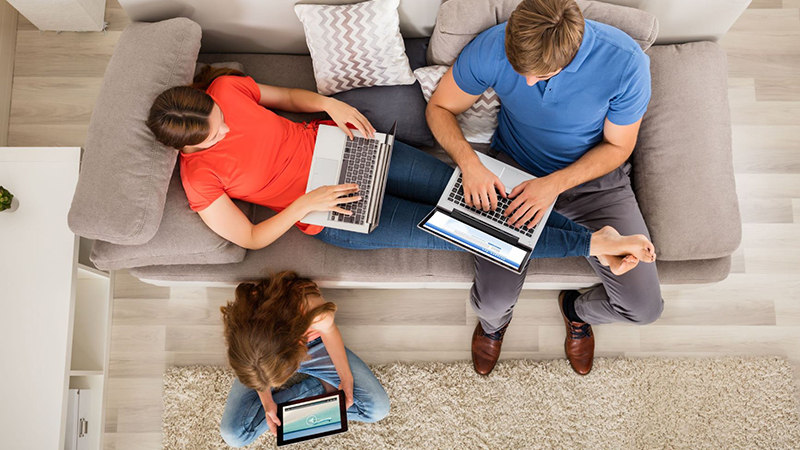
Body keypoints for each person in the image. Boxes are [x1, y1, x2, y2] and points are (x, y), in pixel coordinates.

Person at [146, 65, 655, 372]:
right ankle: (592, 243)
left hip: (351, 150)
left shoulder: (226, 92)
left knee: (475, 198)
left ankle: (596, 241)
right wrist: (302, 203)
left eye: (219, 118)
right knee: (465, 233)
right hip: (331, 210)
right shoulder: (199, 178)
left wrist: (329, 105)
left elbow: (287, 99)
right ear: (188, 149)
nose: (225, 128)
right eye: (214, 135)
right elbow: (251, 236)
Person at [426, 0, 663, 376]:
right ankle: (493, 327)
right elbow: (439, 107)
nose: (530, 84)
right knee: (491, 303)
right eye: (522, 73)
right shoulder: (495, 45)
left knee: (645, 309)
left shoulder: (626, 63)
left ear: (572, 55)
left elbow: (619, 146)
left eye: (542, 74)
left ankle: (575, 311)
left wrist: (553, 185)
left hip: (593, 183)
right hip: (514, 173)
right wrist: (470, 164)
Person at [218, 271, 390, 447]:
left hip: (315, 346)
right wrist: (267, 400)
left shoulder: (312, 311)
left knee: (377, 410)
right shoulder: (244, 323)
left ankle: (320, 388)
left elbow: (329, 331)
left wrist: (345, 377)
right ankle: (321, 387)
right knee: (234, 436)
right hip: (261, 355)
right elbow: (257, 369)